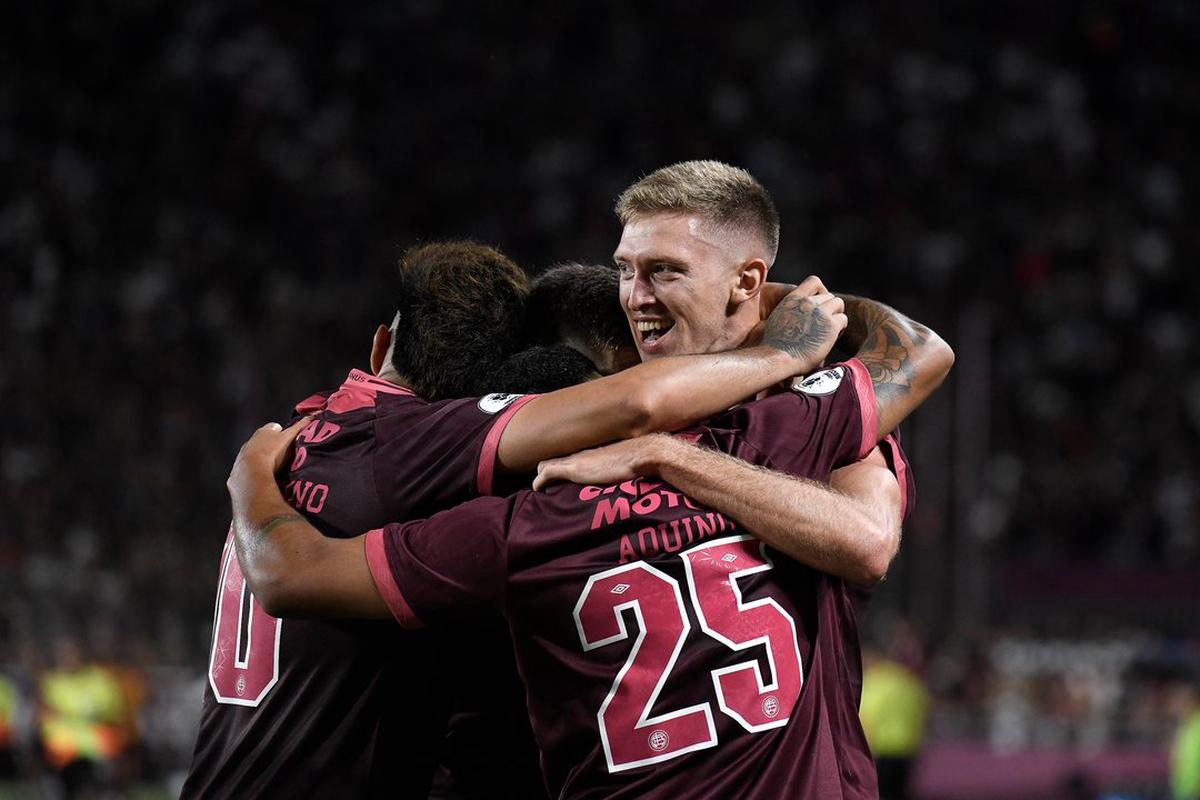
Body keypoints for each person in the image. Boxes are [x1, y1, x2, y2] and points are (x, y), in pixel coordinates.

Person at [183, 241, 864, 799]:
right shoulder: (422, 444)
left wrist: (248, 486)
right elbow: (634, 405)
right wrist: (782, 353)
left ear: (380, 344)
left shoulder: (308, 438)